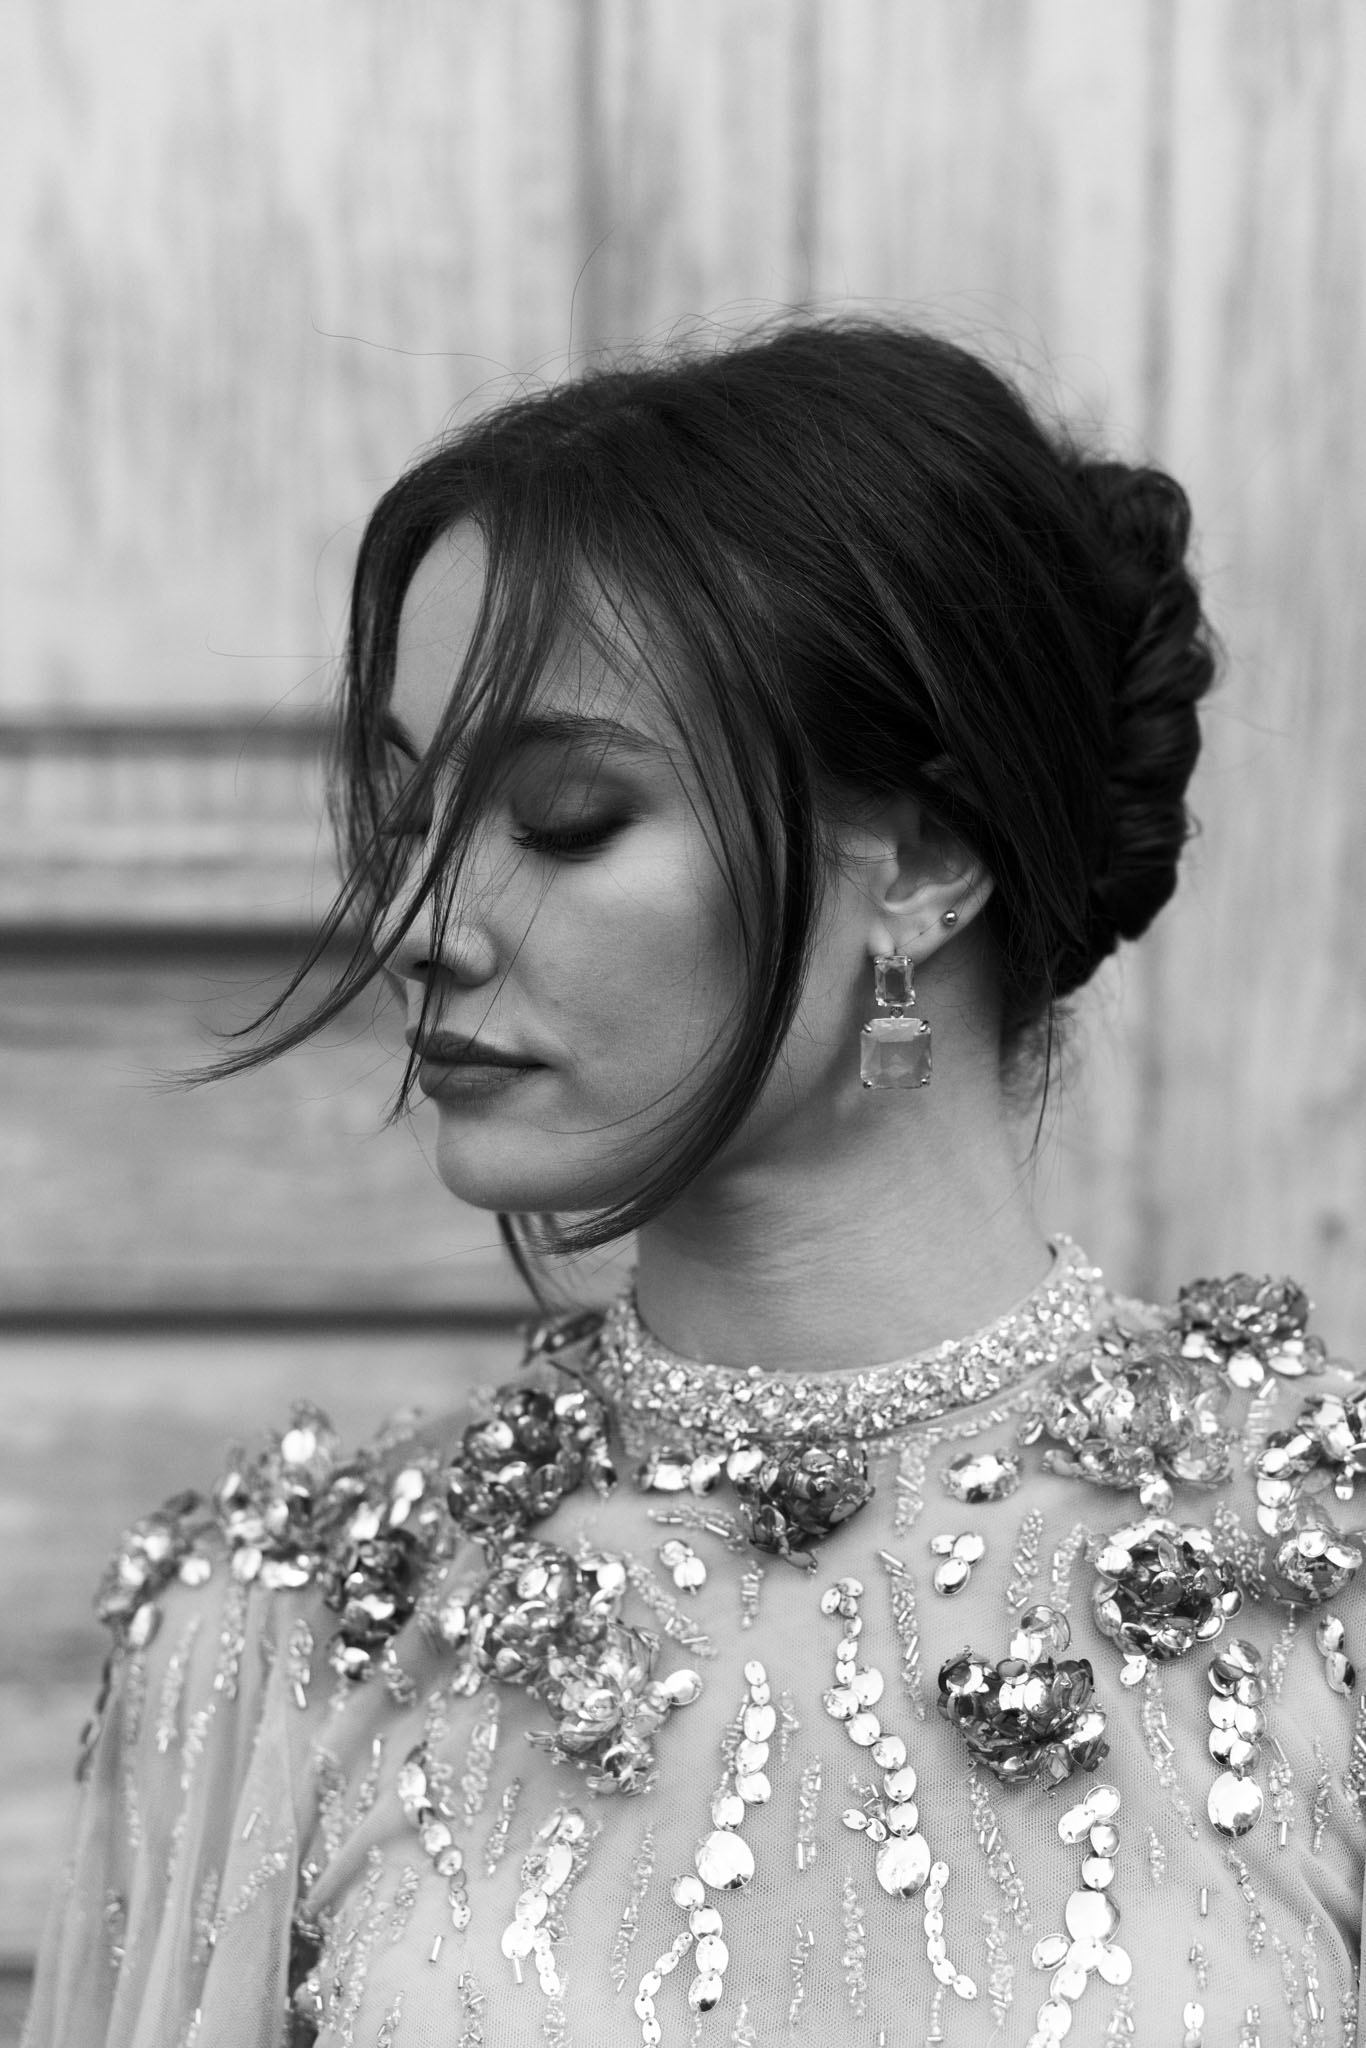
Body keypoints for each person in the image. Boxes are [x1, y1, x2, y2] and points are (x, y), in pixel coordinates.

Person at [22, 318, 1366, 2048]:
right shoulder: (284, 1633)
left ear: (923, 862)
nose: (419, 925)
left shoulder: (1321, 1586)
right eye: (406, 820)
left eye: (565, 817)